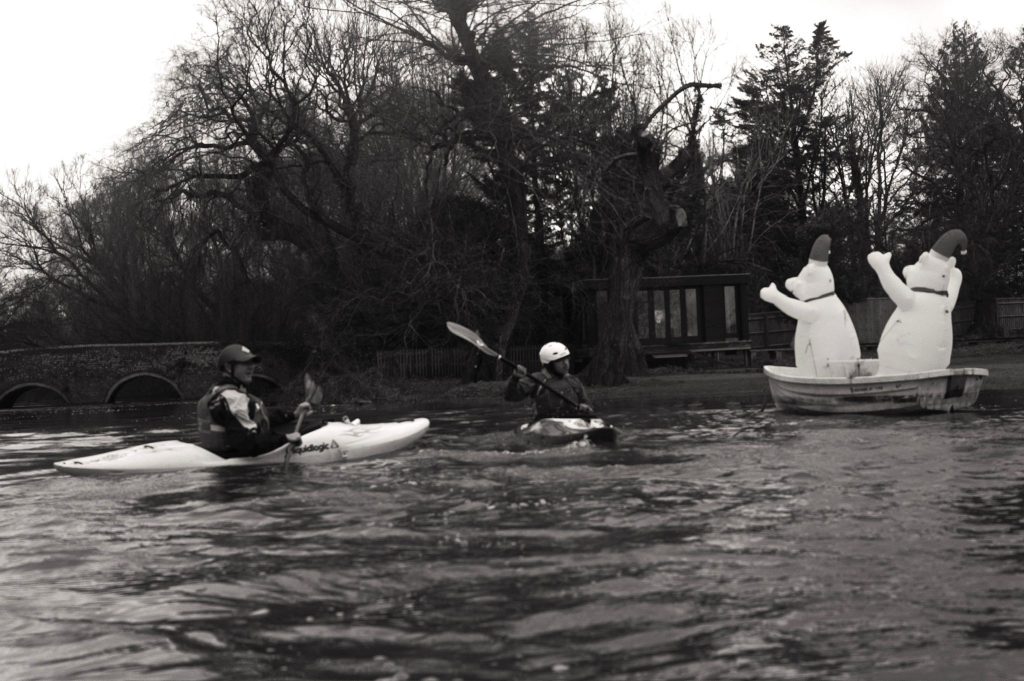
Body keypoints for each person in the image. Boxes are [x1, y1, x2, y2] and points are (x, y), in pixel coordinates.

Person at [196, 344, 312, 457]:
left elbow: (256, 418)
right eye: (245, 363)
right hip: (235, 458)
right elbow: (249, 443)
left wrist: (293, 415)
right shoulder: (233, 398)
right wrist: (284, 438)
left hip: (218, 453)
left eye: (252, 363)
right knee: (311, 429)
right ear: (228, 367)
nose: (251, 367)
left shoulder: (217, 391)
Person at [504, 341, 595, 420]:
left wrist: (586, 408)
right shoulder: (537, 379)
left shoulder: (573, 380)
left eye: (567, 359)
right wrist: (515, 378)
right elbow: (511, 396)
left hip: (571, 423)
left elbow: (586, 403)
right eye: (560, 361)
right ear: (549, 364)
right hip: (545, 424)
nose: (566, 364)